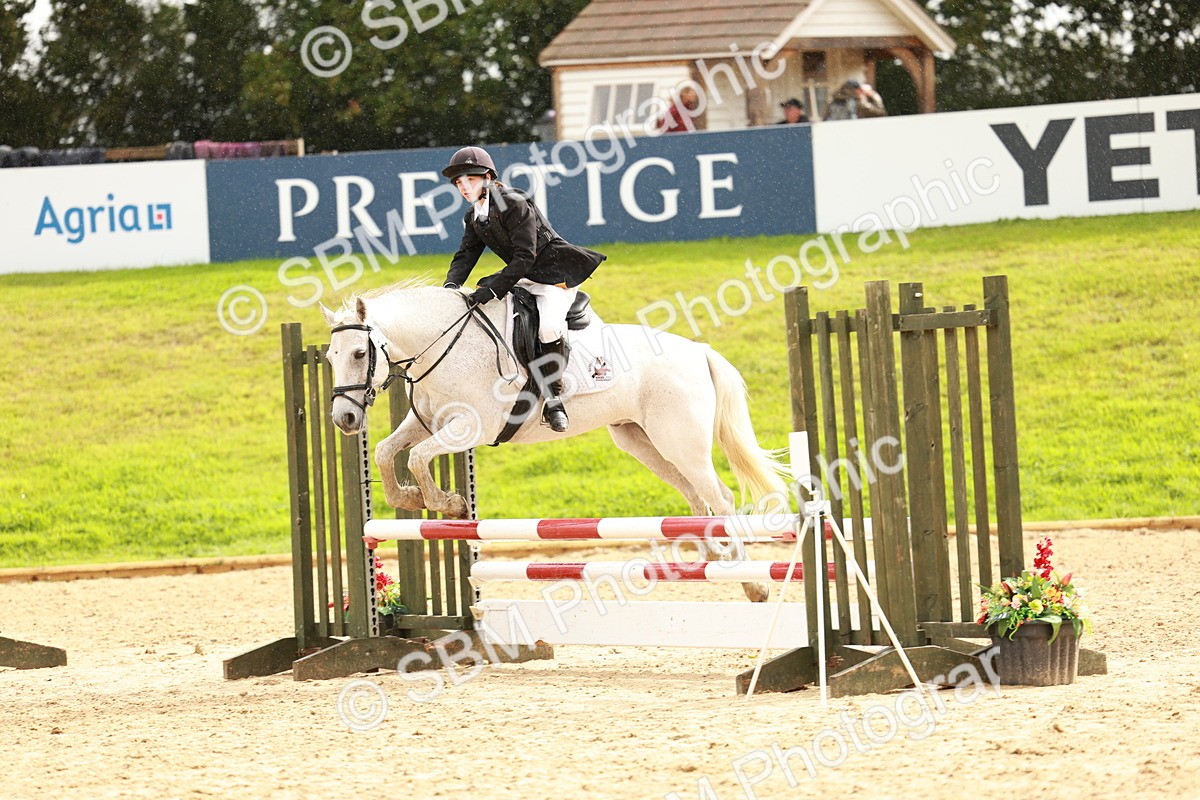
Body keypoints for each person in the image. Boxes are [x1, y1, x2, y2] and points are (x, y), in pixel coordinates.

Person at [441, 145, 606, 433]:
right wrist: (450, 287)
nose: (464, 187)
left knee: (549, 329)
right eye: (459, 183)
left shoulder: (513, 202)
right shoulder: (474, 215)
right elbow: (466, 255)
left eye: (470, 180)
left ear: (488, 178)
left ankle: (554, 398)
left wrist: (494, 289)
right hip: (524, 276)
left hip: (554, 275)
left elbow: (525, 256)